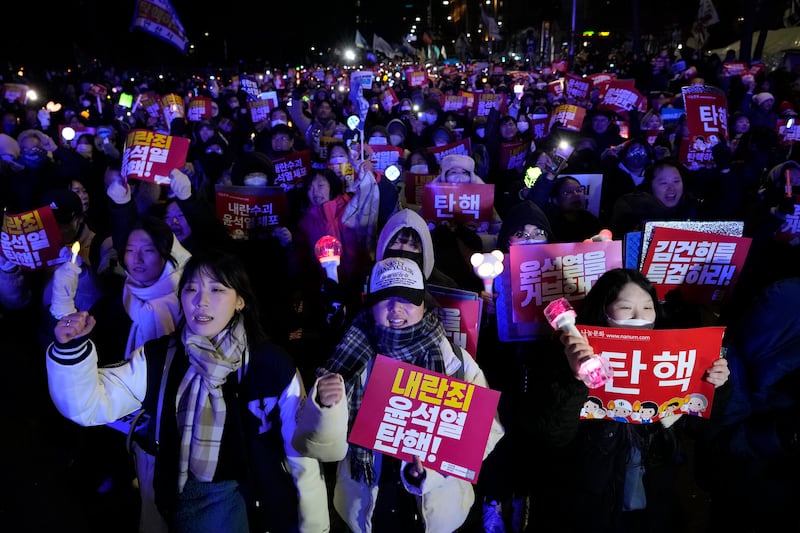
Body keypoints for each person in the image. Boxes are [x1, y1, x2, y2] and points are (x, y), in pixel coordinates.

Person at [45, 249, 331, 533]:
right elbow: (89, 405)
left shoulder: (269, 364)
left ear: (240, 300)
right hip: (178, 505)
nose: (201, 301)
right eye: (191, 288)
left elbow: (300, 453)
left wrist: (314, 526)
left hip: (255, 508)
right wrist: (72, 349)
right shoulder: (161, 358)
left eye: (217, 289)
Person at [293, 257, 505, 533]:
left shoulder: (455, 360)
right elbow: (324, 450)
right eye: (385, 299)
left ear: (423, 303)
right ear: (371, 303)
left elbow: (489, 430)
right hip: (365, 505)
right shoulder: (349, 357)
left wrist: (430, 471)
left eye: (407, 299)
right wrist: (325, 408)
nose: (396, 309)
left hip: (438, 505)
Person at [545, 267, 730, 532]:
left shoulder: (673, 358)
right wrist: (574, 380)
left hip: (653, 499)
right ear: (604, 311)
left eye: (647, 308)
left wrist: (716, 386)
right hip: (592, 501)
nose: (639, 317)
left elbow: (697, 428)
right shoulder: (571, 357)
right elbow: (554, 434)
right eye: (626, 308)